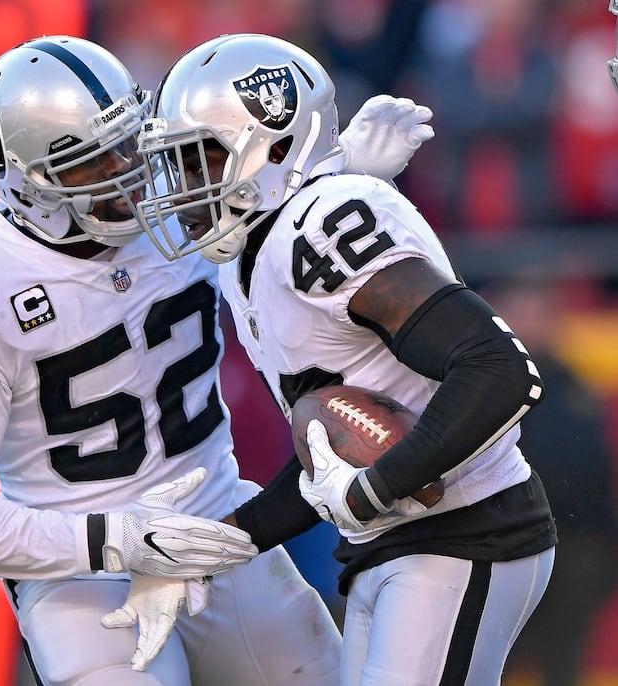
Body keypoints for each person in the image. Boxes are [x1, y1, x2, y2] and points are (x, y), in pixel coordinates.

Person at [0, 35, 434, 685]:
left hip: (220, 525)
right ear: (24, 187)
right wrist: (114, 538)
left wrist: (345, 179)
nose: (126, 175)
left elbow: (283, 226)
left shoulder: (180, 206)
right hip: (81, 574)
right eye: (90, 165)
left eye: (128, 144)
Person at [134, 33, 558, 685]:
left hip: (463, 534)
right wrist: (212, 547)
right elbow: (330, 454)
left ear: (275, 150)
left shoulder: (320, 224)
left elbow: (499, 370)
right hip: (393, 545)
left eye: (202, 160)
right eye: (177, 164)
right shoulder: (256, 253)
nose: (184, 187)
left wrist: (370, 492)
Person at [483, 273, 618, 686]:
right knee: (493, 662)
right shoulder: (480, 385)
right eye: (519, 310)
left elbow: (594, 468)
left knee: (564, 661)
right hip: (503, 545)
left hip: (577, 547)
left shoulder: (573, 383)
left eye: (539, 311)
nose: (530, 321)